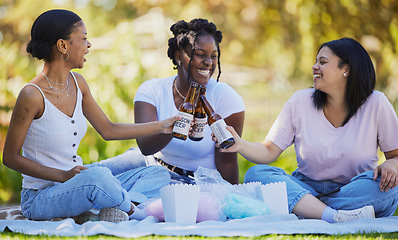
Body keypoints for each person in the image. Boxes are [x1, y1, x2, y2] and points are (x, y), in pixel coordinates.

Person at [2, 9, 177, 223]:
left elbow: (108, 129)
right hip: (41, 197)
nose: (89, 45)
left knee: (152, 170)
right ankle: (133, 211)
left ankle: (101, 206)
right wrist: (63, 176)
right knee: (97, 178)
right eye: (83, 38)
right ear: (62, 46)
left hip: (79, 180)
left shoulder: (78, 84)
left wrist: (162, 126)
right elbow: (10, 157)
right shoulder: (32, 95)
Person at [217, 37, 398, 223]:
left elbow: (396, 156)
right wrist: (240, 144)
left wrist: (392, 164)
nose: (314, 67)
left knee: (391, 187)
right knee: (256, 175)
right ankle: (334, 215)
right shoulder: (300, 101)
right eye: (315, 61)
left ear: (346, 70)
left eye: (323, 62)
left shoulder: (376, 103)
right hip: (305, 186)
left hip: (354, 189)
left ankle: (308, 209)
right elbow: (269, 151)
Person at [130, 18, 245, 184]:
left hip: (196, 181)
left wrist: (233, 199)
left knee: (136, 197)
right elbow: (146, 147)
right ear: (178, 56)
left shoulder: (227, 97)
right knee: (95, 174)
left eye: (214, 56)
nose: (209, 62)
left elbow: (227, 161)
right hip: (152, 167)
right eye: (200, 55)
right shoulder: (152, 90)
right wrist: (175, 127)